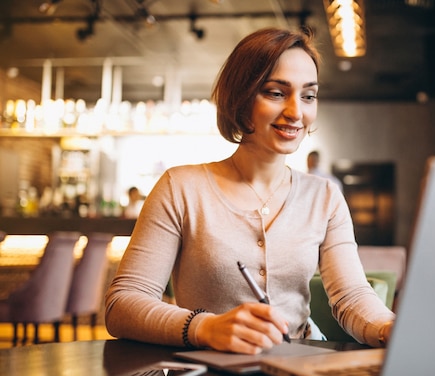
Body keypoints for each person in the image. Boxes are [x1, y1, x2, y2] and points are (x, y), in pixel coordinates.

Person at [104, 27, 395, 355]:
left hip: (300, 375)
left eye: (308, 95)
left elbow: (351, 296)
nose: (296, 112)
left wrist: (388, 327)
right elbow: (122, 305)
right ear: (241, 98)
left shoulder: (325, 197)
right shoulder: (180, 188)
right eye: (275, 92)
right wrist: (205, 327)